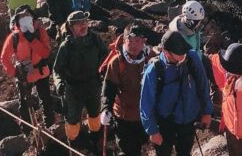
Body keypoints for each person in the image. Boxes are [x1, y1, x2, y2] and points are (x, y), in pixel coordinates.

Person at [139, 29, 214, 156]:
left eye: (184, 52)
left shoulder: (192, 58)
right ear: (166, 52)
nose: (183, 56)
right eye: (178, 54)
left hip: (188, 120)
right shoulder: (153, 71)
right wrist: (152, 131)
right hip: (164, 123)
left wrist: (207, 112)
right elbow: (146, 103)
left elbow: (203, 85)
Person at [54, 10, 108, 149]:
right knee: (72, 119)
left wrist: (103, 71)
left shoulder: (95, 39)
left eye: (85, 22)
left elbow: (105, 56)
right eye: (79, 24)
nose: (83, 26)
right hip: (73, 88)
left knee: (95, 113)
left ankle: (95, 138)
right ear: (71, 28)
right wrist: (59, 84)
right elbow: (57, 69)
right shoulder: (66, 46)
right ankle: (73, 144)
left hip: (93, 84)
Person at [101, 23, 156, 156]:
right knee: (127, 150)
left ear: (144, 41)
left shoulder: (152, 60)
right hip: (123, 116)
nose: (133, 45)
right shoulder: (116, 62)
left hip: (146, 115)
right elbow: (109, 88)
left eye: (137, 41)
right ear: (124, 41)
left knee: (142, 147)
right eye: (129, 41)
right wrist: (105, 108)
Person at [0, 6, 55, 126]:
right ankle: (28, 130)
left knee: (46, 99)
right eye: (22, 17)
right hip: (23, 72)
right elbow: (4, 58)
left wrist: (33, 40)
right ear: (17, 21)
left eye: (27, 16)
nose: (25, 19)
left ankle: (50, 127)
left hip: (40, 70)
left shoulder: (40, 32)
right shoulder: (14, 37)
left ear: (33, 18)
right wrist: (14, 72)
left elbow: (45, 54)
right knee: (24, 103)